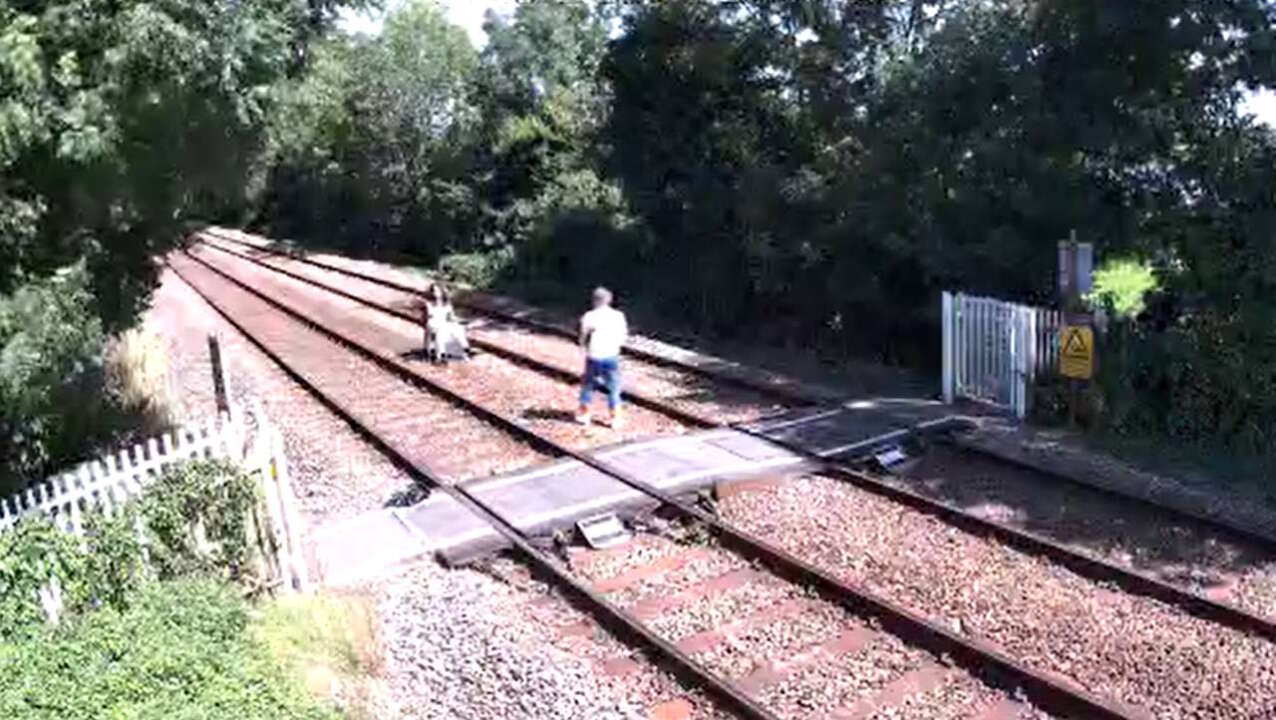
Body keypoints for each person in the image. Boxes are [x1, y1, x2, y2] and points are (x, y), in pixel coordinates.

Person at [576, 286, 628, 428]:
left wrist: (584, 348)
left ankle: (584, 415)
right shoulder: (619, 316)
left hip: (594, 356)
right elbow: (623, 338)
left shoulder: (589, 316)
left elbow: (582, 339)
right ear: (609, 300)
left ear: (594, 300)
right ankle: (615, 419)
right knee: (614, 388)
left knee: (588, 386)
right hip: (611, 355)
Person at [421, 281, 469, 362]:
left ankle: (465, 348)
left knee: (458, 328)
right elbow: (424, 321)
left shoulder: (447, 305)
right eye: (434, 291)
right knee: (438, 329)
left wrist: (461, 322)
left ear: (442, 292)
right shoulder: (428, 305)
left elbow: (452, 318)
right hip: (433, 325)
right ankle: (440, 353)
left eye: (437, 291)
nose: (436, 293)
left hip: (444, 324)